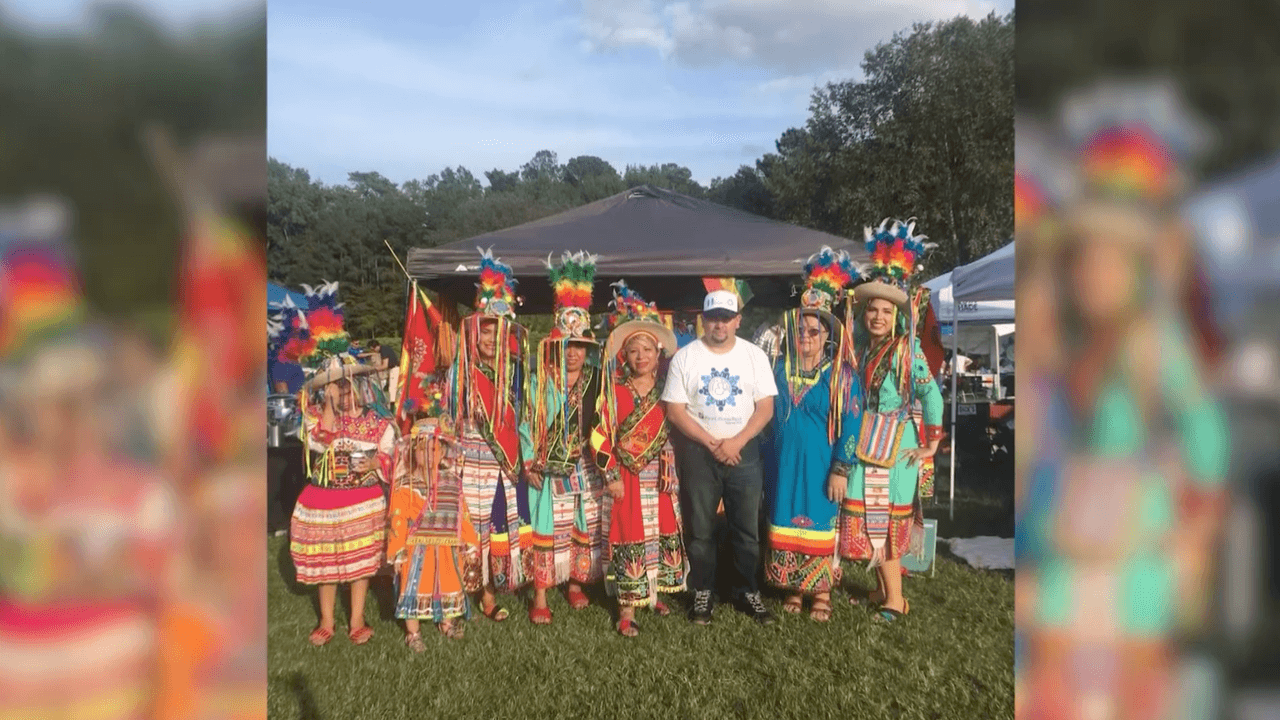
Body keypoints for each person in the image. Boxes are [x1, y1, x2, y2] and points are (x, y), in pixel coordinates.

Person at [841, 219, 944, 622]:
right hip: (869, 444)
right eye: (873, 310)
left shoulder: (907, 351)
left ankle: (895, 600)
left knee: (883, 521)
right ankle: (879, 588)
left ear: (897, 316)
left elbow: (931, 394)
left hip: (896, 448)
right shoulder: (864, 350)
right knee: (869, 517)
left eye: (887, 310)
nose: (878, 316)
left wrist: (932, 443)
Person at [284, 284, 397, 646]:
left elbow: (392, 455)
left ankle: (358, 618)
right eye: (335, 386)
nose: (344, 391)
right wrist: (329, 404)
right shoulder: (318, 418)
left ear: (361, 384)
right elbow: (319, 441)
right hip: (324, 499)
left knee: (360, 563)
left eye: (347, 384)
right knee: (326, 563)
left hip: (362, 499)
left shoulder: (379, 422)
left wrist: (374, 463)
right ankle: (328, 620)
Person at [662, 287, 778, 625]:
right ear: (703, 320)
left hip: (744, 451)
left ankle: (747, 590)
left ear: (738, 321)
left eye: (726, 318)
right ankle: (703, 590)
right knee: (700, 528)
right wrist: (715, 444)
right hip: (700, 451)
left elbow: (765, 407)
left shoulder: (754, 356)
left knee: (747, 527)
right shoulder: (686, 357)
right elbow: (675, 411)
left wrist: (737, 441)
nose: (720, 325)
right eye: (713, 318)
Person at [766, 247, 862, 622]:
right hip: (782, 464)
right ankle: (793, 587)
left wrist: (841, 467)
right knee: (785, 519)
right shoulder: (777, 369)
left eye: (814, 330)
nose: (806, 335)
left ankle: (820, 593)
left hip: (822, 467)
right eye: (800, 329)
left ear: (826, 335)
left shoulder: (841, 376)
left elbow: (852, 423)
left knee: (820, 524)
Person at [590, 281, 688, 636]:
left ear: (658, 353)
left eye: (647, 349)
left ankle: (655, 592)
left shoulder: (670, 390)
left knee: (661, 530)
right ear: (624, 357)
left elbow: (677, 431)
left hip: (659, 475)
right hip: (626, 476)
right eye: (634, 351)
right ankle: (627, 608)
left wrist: (671, 462)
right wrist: (610, 474)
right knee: (628, 533)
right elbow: (599, 435)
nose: (641, 357)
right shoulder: (613, 391)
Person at [444, 248, 531, 621]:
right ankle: (463, 590)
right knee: (472, 528)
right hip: (471, 461)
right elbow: (450, 418)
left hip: (507, 463)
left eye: (497, 333)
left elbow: (525, 418)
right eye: (485, 333)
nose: (491, 340)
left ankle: (491, 594)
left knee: (500, 523)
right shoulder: (461, 372)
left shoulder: (517, 373)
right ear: (475, 336)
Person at [519, 251, 606, 624]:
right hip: (547, 465)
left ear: (587, 349)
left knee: (581, 521)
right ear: (556, 346)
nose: (573, 355)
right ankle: (540, 593)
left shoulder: (596, 380)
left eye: (580, 348)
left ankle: (575, 582)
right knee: (547, 525)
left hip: (585, 464)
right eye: (567, 347)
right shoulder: (538, 381)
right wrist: (528, 460)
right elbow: (525, 423)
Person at [387, 418, 482, 647]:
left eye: (434, 449)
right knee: (413, 585)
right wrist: (397, 551)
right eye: (424, 449)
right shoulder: (406, 484)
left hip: (447, 547)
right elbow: (397, 518)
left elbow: (462, 514)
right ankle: (413, 632)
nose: (430, 454)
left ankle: (447, 622)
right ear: (414, 452)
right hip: (416, 550)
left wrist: (469, 542)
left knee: (449, 582)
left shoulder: (452, 481)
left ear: (442, 453)